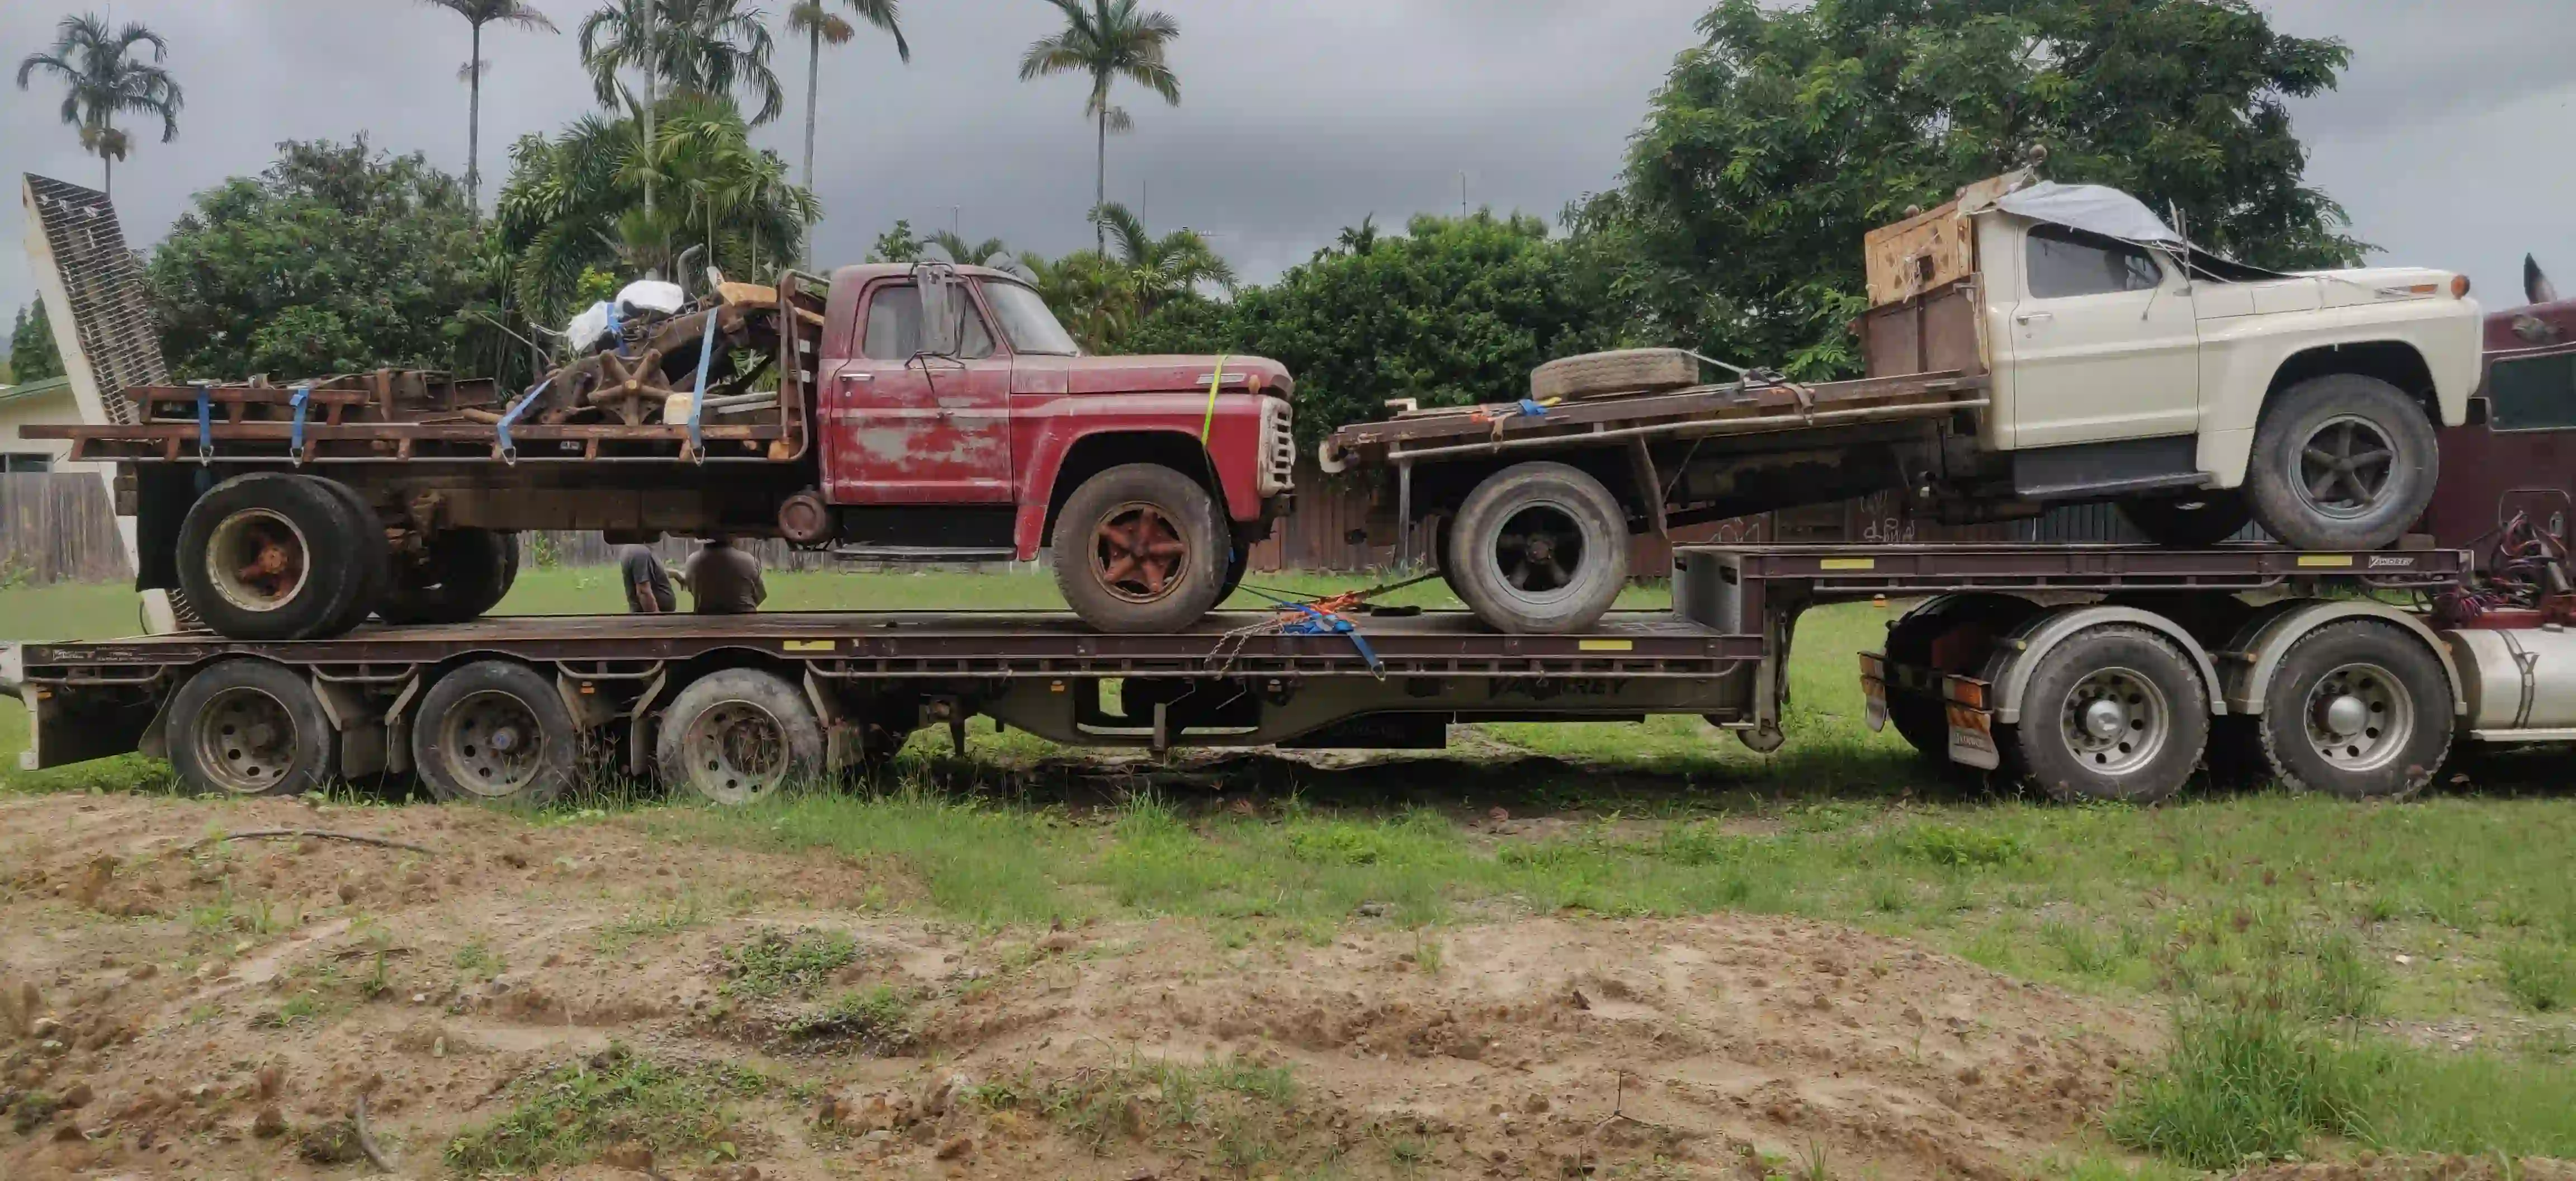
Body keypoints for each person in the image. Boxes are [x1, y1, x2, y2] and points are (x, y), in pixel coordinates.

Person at [683, 536, 768, 615]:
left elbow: (693, 591)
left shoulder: (692, 561)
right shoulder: (748, 561)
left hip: (705, 620)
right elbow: (761, 595)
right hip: (744, 620)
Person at [619, 545, 676, 613]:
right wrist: (657, 618)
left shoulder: (637, 550)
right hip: (648, 617)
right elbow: (643, 592)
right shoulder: (640, 552)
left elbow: (651, 571)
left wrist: (675, 574)